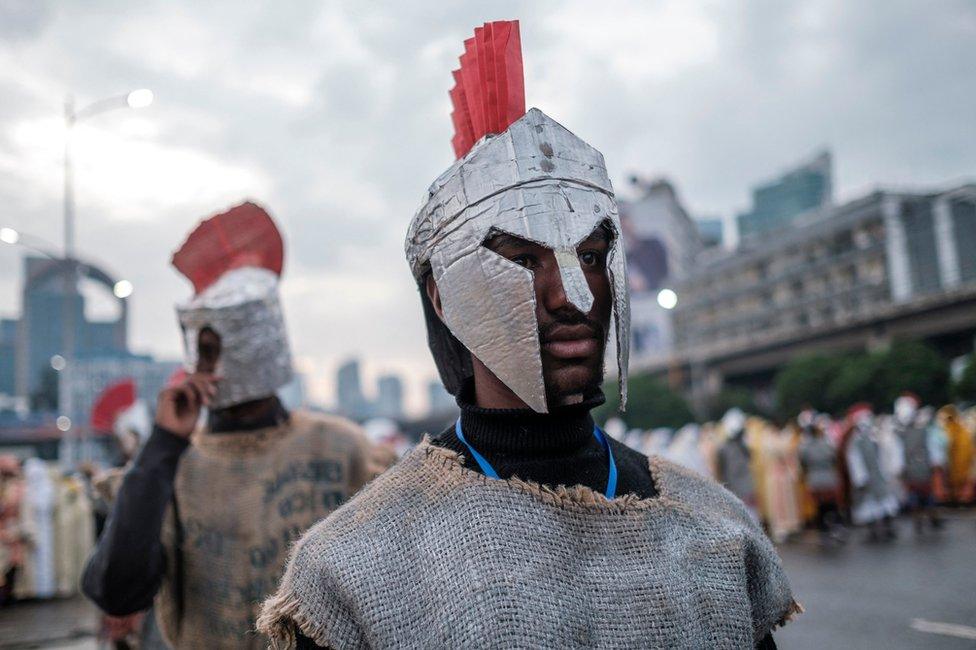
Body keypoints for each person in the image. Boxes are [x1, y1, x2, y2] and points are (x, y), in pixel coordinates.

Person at [260, 21, 797, 649]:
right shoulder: (354, 569)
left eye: (591, 256)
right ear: (444, 294)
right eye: (523, 258)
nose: (575, 295)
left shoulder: (715, 528)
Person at [82, 202, 385, 649]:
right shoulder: (172, 469)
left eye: (215, 347)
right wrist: (162, 445)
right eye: (201, 349)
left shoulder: (343, 448)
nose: (208, 366)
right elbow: (117, 589)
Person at [842, 404, 899, 542]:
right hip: (866, 478)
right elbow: (854, 460)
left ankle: (888, 528)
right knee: (868, 505)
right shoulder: (855, 440)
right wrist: (860, 477)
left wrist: (887, 470)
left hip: (878, 475)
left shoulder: (875, 436)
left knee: (884, 503)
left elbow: (883, 455)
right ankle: (873, 531)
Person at [893, 394, 941, 532]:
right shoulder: (903, 433)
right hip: (915, 469)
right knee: (920, 496)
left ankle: (927, 519)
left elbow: (930, 448)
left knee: (924, 495)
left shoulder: (914, 431)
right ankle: (922, 520)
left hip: (919, 468)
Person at [797, 413, 844, 545]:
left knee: (822, 505)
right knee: (829, 505)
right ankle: (832, 528)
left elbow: (803, 462)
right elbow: (833, 458)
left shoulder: (805, 446)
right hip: (825, 476)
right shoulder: (826, 443)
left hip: (816, 477)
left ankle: (824, 529)